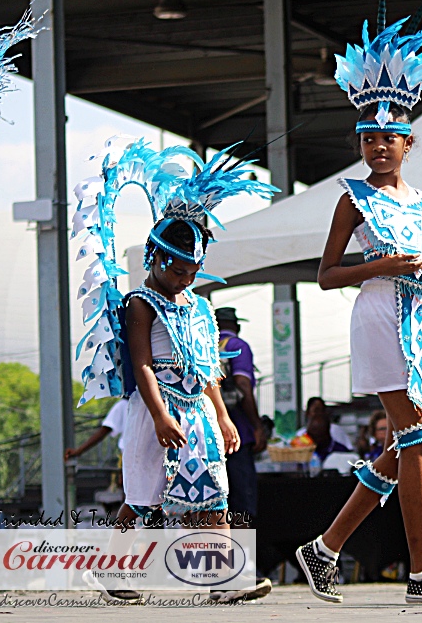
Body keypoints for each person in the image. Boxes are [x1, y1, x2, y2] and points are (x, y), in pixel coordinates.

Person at [294, 7, 422, 604]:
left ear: (408, 142)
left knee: (401, 446)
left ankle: (323, 548)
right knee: (418, 440)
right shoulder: (351, 199)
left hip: (421, 320)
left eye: (389, 138)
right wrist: (386, 265)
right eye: (368, 138)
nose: (378, 147)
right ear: (360, 144)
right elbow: (326, 276)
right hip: (377, 315)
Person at [71, 136, 278, 602]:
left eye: (192, 271)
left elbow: (208, 370)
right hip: (155, 411)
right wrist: (161, 415)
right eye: (178, 270)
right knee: (143, 498)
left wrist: (223, 416)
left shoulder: (200, 307)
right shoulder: (141, 303)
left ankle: (222, 581)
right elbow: (141, 364)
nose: (186, 279)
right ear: (155, 258)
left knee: (213, 494)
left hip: (200, 412)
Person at [215, 306, 272, 595]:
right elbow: (243, 385)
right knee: (243, 503)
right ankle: (243, 568)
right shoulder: (237, 346)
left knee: (217, 502)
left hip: (211, 435)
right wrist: (256, 424)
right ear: (235, 325)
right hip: (237, 435)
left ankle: (221, 569)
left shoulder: (209, 345)